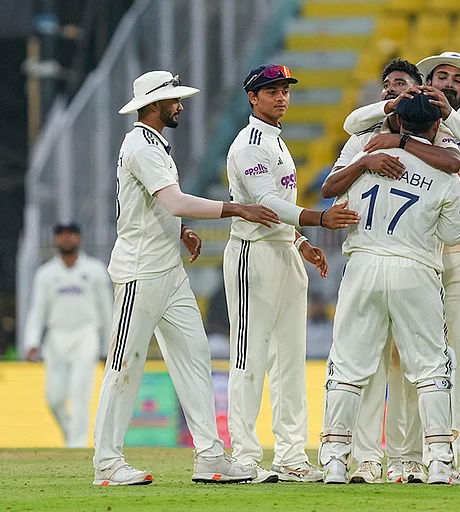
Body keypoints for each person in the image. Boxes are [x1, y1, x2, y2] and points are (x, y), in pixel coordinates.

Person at [93, 70, 281, 486]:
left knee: (195, 359)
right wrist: (237, 209)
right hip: (140, 273)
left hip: (169, 272)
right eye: (174, 100)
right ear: (154, 105)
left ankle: (210, 456)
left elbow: (149, 206)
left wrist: (181, 230)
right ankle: (107, 463)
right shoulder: (139, 145)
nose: (180, 105)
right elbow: (174, 200)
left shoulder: (155, 144)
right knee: (125, 365)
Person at [339, 51, 460, 484]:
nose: (448, 83)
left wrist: (430, 128)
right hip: (412, 255)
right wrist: (396, 108)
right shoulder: (403, 120)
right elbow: (352, 125)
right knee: (403, 360)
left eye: (458, 81)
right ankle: (406, 458)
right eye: (440, 76)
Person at [322, 57, 460, 485]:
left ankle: (333, 460)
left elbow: (332, 195)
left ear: (397, 119)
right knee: (429, 367)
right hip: (415, 267)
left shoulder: (366, 155)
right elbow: (454, 232)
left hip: (362, 264)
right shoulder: (443, 175)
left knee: (347, 365)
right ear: (435, 127)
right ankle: (438, 462)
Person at [225, 64, 359, 483]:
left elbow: (279, 207)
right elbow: (264, 201)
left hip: (283, 253)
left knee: (289, 362)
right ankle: (244, 456)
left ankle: (290, 456)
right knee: (250, 356)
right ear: (253, 97)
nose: (281, 97)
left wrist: (300, 242)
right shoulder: (248, 145)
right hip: (253, 255)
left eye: (285, 90)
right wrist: (318, 218)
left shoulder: (276, 142)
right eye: (271, 91)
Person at [24, 221, 112, 448]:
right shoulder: (46, 274)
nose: (66, 239)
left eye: (70, 235)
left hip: (86, 335)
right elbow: (37, 310)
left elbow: (106, 309)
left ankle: (77, 445)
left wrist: (110, 344)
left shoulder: (94, 270)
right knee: (54, 398)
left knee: (80, 392)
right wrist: (32, 341)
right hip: (56, 337)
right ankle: (71, 435)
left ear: (78, 238)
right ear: (55, 240)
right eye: (61, 235)